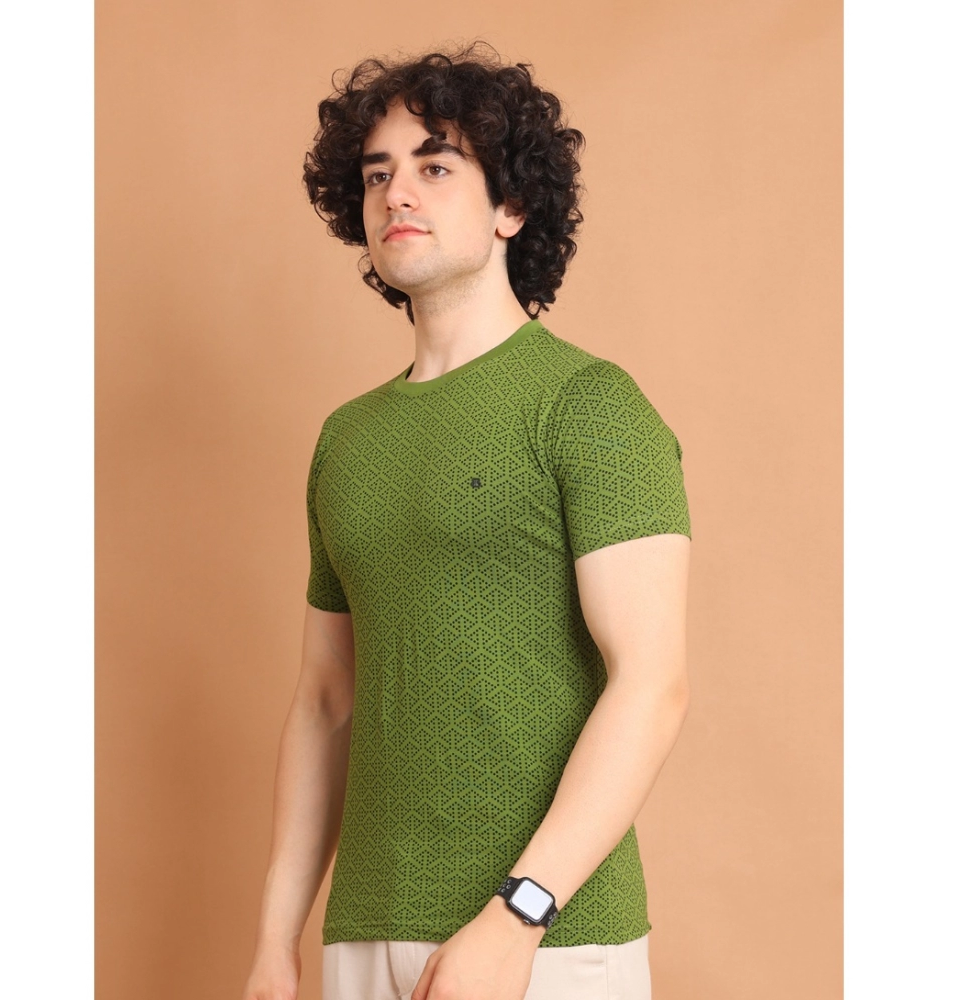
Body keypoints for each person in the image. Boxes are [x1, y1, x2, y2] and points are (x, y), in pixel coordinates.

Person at [242, 41, 692, 1000]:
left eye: (436, 167)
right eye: (377, 174)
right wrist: (275, 941)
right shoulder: (347, 440)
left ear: (511, 206)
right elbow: (325, 701)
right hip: (365, 935)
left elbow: (652, 685)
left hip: (549, 939)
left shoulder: (589, 406)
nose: (397, 193)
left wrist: (519, 914)